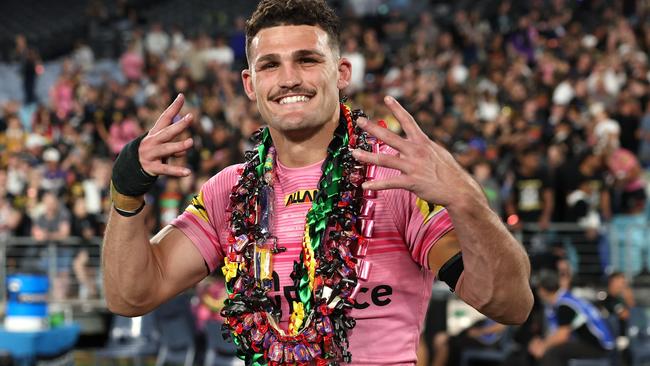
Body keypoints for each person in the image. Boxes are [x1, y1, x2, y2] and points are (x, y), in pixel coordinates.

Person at [102, 1, 533, 364]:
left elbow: (510, 304)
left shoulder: (394, 180)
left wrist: (466, 200)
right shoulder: (228, 192)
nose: (289, 78)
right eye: (270, 65)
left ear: (342, 72)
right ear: (251, 85)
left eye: (307, 60)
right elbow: (132, 296)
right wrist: (126, 191)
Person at [528, 270, 614, 366]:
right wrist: (542, 342)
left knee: (553, 353)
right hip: (594, 343)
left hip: (598, 346)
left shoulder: (565, 305)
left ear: (542, 291)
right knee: (551, 350)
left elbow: (563, 335)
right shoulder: (565, 298)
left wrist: (543, 346)